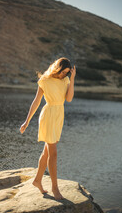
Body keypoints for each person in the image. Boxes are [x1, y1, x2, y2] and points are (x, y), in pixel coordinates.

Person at [20, 57, 76, 200]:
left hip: (59, 116)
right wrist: (26, 121)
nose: (64, 74)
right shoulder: (44, 80)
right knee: (53, 153)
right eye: (63, 71)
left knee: (47, 152)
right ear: (57, 68)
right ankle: (55, 188)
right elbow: (36, 101)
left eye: (67, 73)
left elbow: (69, 99)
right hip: (49, 115)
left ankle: (37, 180)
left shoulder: (66, 80)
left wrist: (73, 78)